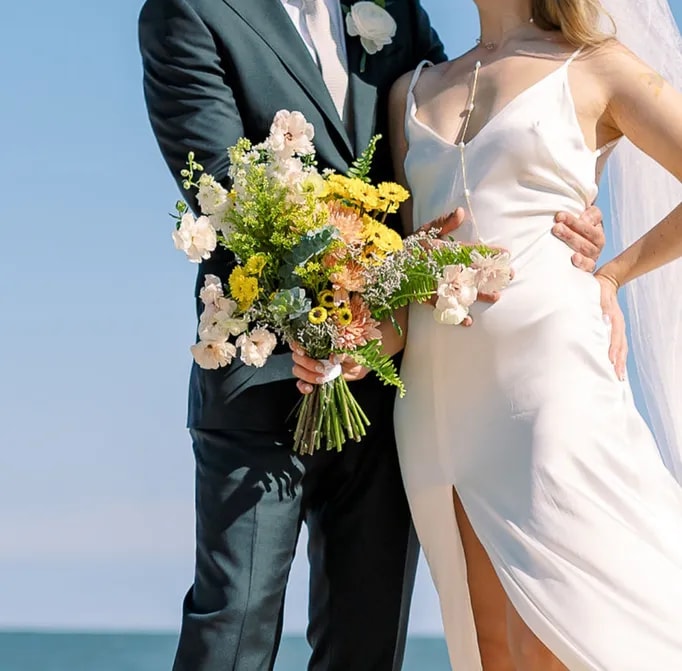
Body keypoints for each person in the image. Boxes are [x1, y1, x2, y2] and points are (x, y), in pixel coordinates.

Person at [138, 0, 609, 668]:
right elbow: (226, 191)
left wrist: (564, 225)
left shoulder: (391, 9)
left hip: (388, 388)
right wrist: (358, 283)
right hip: (263, 372)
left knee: (368, 640)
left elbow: (460, 142)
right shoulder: (187, 13)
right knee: (234, 628)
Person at [387, 0, 682, 668]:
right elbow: (401, 248)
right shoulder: (412, 89)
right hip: (435, 402)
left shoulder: (594, 66)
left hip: (551, 383)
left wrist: (615, 273)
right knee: (489, 643)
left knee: (557, 626)